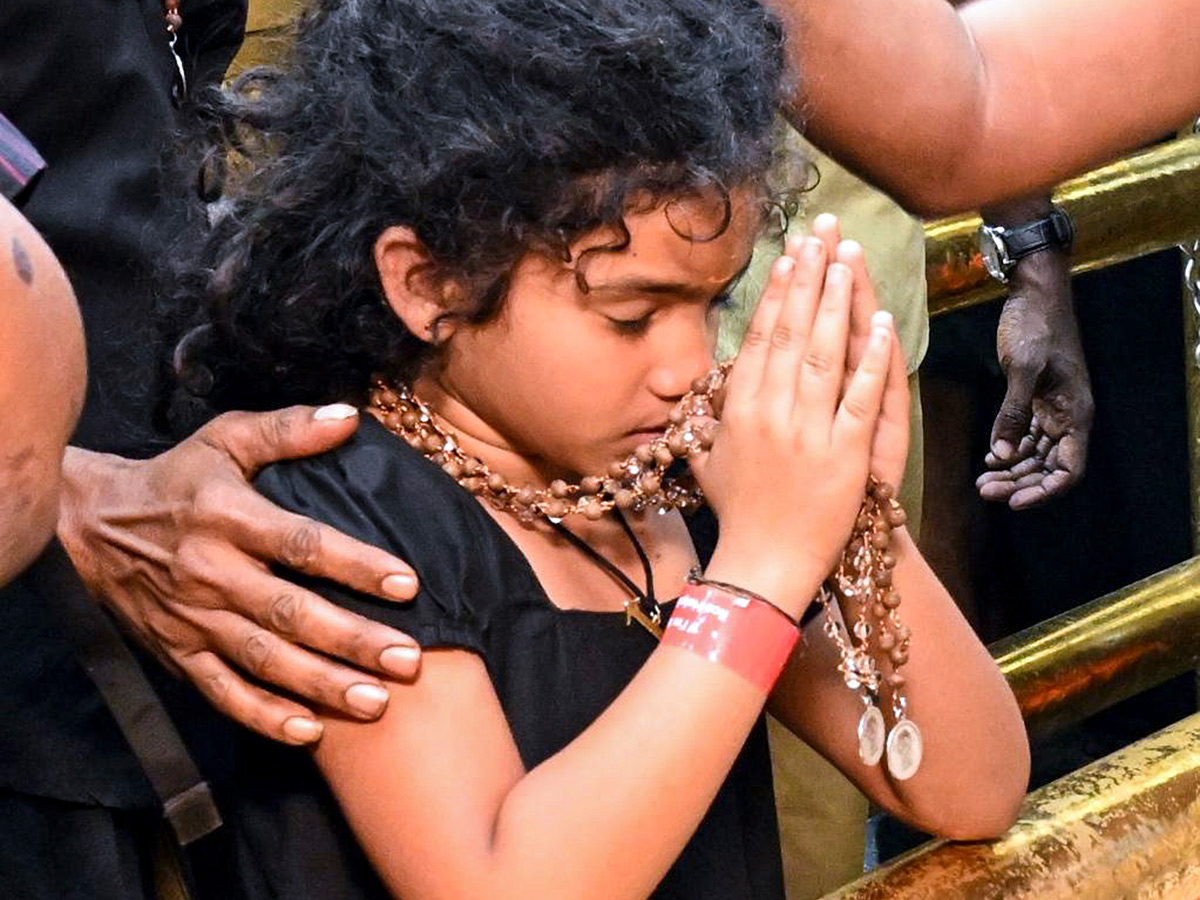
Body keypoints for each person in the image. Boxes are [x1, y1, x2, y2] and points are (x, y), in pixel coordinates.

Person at [160, 3, 1030, 899]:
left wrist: (856, 519)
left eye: (714, 304)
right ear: (429, 284)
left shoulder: (674, 486)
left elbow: (973, 788)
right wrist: (760, 573)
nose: (689, 366)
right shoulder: (342, 524)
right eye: (631, 316)